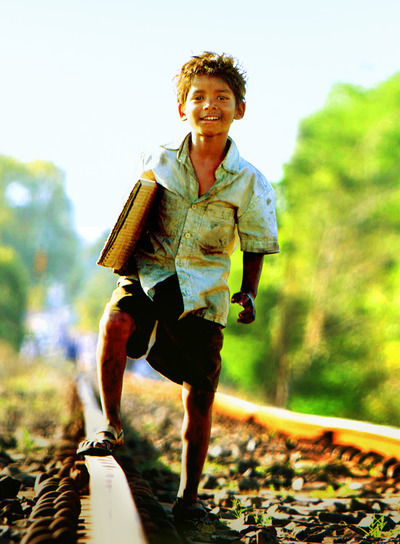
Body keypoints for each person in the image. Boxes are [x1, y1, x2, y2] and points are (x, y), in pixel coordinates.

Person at [76, 52, 279, 523]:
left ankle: (189, 495)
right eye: (199, 97)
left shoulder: (251, 182)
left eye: (222, 98)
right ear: (182, 108)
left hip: (204, 291)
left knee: (200, 391)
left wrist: (248, 293)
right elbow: (136, 210)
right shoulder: (157, 158)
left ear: (239, 110)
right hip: (149, 273)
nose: (210, 106)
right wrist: (123, 255)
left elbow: (255, 244)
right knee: (116, 321)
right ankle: (110, 424)